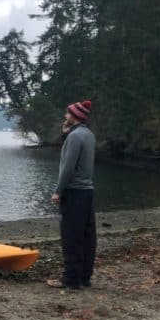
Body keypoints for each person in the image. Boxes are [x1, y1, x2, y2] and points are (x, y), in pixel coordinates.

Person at [48, 100, 96, 290]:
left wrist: (58, 191)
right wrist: (65, 135)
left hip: (74, 192)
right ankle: (85, 277)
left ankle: (70, 280)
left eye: (67, 114)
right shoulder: (88, 135)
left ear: (74, 116)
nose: (65, 117)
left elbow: (68, 167)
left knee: (71, 237)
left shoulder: (75, 137)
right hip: (87, 191)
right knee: (87, 236)